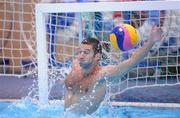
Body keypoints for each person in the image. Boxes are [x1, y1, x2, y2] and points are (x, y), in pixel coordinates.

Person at [64, 26, 162, 115]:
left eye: (86, 52)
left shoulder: (102, 74)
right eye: (80, 52)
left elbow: (131, 62)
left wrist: (151, 42)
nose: (81, 56)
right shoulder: (75, 65)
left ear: (97, 56)